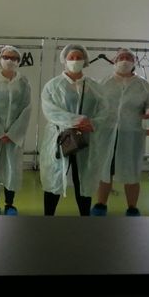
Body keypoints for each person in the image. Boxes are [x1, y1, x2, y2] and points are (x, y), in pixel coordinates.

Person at [40, 44, 109, 216]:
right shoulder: (53, 86)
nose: (75, 60)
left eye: (79, 57)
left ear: (85, 60)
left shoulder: (94, 86)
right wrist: (78, 121)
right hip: (60, 137)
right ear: (64, 60)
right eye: (71, 57)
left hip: (86, 139)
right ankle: (48, 217)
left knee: (83, 178)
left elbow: (105, 110)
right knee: (55, 176)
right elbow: (50, 110)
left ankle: (84, 217)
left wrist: (93, 123)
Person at [93, 48, 149, 217]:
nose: (124, 60)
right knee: (105, 170)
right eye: (121, 57)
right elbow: (94, 104)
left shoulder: (143, 85)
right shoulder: (104, 82)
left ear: (134, 62)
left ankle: (132, 208)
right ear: (114, 61)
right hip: (107, 133)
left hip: (131, 134)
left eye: (128, 58)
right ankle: (100, 205)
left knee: (131, 171)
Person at [0, 46, 32, 215]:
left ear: (19, 61)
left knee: (12, 168)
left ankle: (10, 204)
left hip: (14, 136)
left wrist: (13, 133)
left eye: (14, 58)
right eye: (6, 57)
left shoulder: (23, 83)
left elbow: (26, 109)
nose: (9, 60)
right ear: (0, 59)